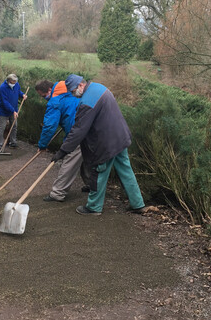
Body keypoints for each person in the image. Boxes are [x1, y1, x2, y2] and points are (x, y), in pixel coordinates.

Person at [51, 74, 146, 216]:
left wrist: (63, 151)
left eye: (73, 91)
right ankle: (137, 204)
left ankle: (94, 207)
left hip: (106, 142)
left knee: (98, 172)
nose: (73, 94)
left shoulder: (87, 102)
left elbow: (79, 130)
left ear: (81, 85)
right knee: (126, 171)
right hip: (120, 137)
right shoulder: (99, 87)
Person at [35, 80, 90, 202]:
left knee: (70, 159)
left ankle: (57, 193)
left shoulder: (55, 101)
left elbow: (49, 126)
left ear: (49, 90)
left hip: (76, 132)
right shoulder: (71, 90)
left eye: (43, 96)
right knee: (87, 157)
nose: (44, 98)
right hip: (90, 128)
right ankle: (92, 185)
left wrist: (42, 145)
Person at [0, 73, 27, 152]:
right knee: (2, 128)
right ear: (8, 81)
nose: (15, 83)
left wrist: (23, 95)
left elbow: (18, 91)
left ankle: (13, 143)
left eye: (15, 81)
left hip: (14, 110)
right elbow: (4, 102)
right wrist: (13, 111)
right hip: (4, 111)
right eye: (13, 82)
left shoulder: (16, 84)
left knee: (14, 126)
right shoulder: (2, 88)